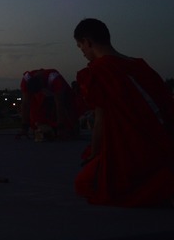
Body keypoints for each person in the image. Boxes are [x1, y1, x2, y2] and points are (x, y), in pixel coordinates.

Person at [73, 18, 174, 207]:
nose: (84, 53)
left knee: (85, 183)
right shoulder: (140, 66)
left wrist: (95, 155)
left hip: (134, 148)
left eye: (81, 47)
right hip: (165, 142)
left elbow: (100, 120)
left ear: (88, 42)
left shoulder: (99, 71)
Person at [18, 69, 78, 141]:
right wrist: (24, 127)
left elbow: (60, 104)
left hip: (63, 95)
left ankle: (70, 128)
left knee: (69, 114)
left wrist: (61, 127)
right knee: (37, 113)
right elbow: (25, 104)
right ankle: (44, 127)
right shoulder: (26, 80)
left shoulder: (55, 79)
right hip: (42, 97)